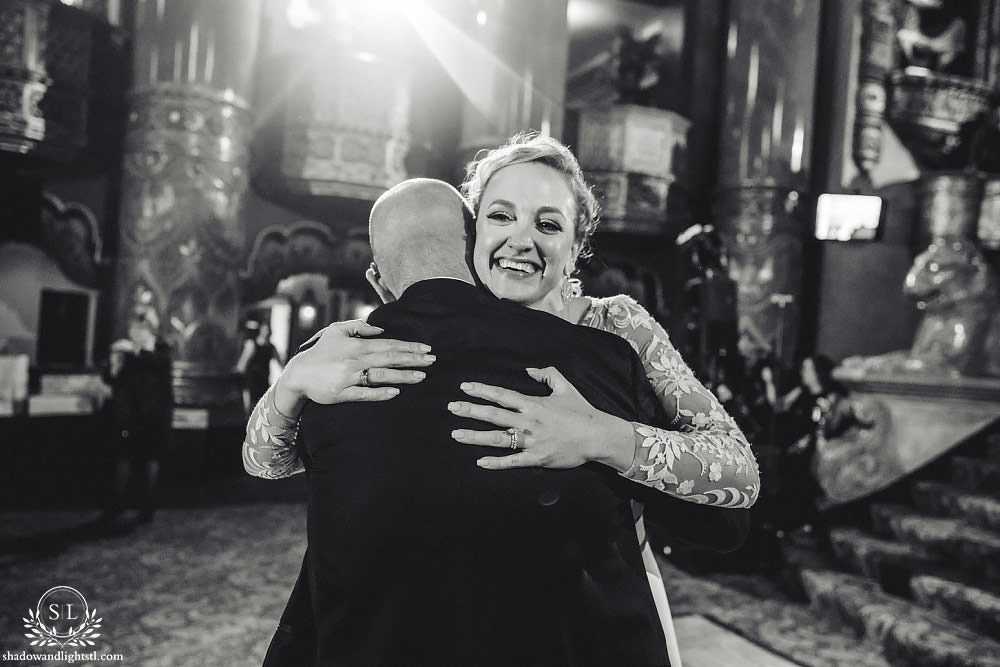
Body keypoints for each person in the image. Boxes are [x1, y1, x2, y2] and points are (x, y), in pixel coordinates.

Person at [262, 179, 748, 666]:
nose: (520, 239)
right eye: (501, 216)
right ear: (471, 242)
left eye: (548, 223)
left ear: (577, 249)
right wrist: (289, 386)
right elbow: (266, 458)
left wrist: (601, 436)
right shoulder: (340, 358)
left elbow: (732, 493)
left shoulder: (613, 332)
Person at [101, 308, 173, 525]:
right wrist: (113, 367)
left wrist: (137, 351)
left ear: (148, 330)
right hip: (130, 414)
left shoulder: (161, 351)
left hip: (153, 414)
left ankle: (148, 505)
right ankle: (117, 502)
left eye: (137, 328)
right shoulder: (129, 354)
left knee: (151, 457)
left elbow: (156, 365)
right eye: (132, 328)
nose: (132, 332)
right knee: (124, 457)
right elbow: (116, 381)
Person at [236, 322, 283, 412]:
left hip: (264, 378)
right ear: (261, 331)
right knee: (251, 405)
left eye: (268, 331)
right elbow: (243, 363)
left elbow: (281, 363)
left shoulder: (271, 347)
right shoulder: (252, 345)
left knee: (263, 405)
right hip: (252, 379)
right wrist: (239, 378)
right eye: (265, 330)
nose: (267, 333)